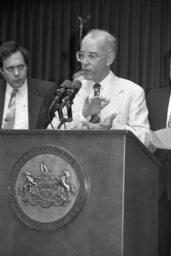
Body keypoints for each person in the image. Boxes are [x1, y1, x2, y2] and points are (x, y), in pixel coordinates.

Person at [49, 29, 149, 145]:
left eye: (91, 56)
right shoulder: (74, 90)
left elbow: (145, 138)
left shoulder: (132, 91)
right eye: (81, 55)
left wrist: (111, 130)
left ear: (109, 58)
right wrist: (83, 114)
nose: (84, 62)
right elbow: (52, 130)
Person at [146, 50, 171, 256]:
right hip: (160, 185)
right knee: (159, 245)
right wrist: (147, 144)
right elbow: (142, 131)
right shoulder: (154, 96)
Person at [0, 41, 56, 129]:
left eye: (20, 67)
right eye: (10, 68)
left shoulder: (47, 91)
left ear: (27, 66)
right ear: (2, 71)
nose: (17, 73)